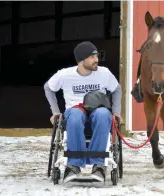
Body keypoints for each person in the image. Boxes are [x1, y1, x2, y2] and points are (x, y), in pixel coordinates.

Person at [44, 41, 122, 183]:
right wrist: (55, 111)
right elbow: (48, 87)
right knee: (74, 116)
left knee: (104, 114)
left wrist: (116, 112)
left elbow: (116, 89)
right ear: (81, 59)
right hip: (75, 109)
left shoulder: (104, 73)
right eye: (92, 57)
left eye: (97, 56)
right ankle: (74, 165)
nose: (96, 60)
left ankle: (98, 165)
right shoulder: (65, 74)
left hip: (97, 109)